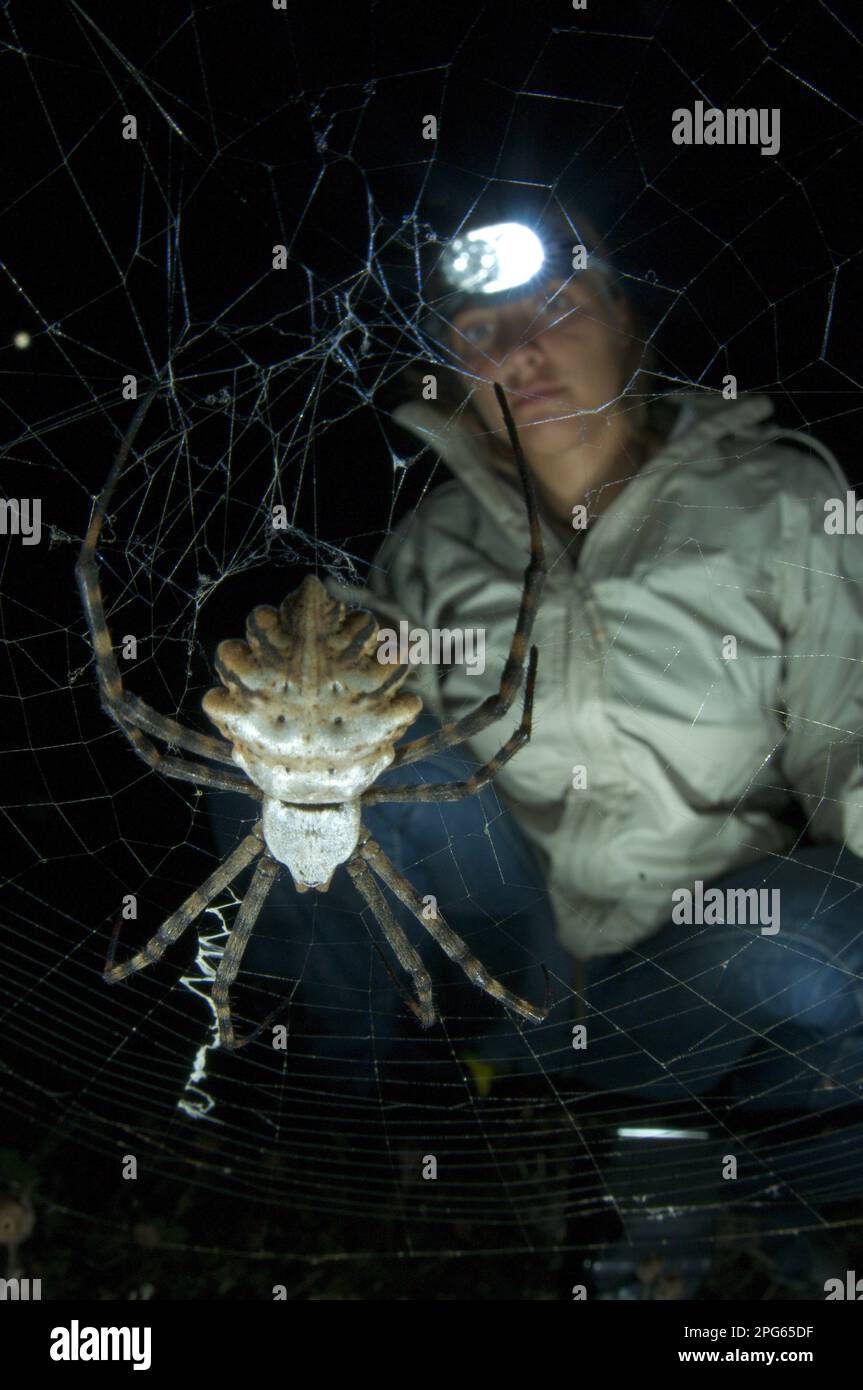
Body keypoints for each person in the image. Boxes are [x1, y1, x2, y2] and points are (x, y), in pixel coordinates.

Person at [212, 198, 863, 1295]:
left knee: (822, 940)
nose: (519, 348)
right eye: (476, 331)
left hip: (707, 947)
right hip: (518, 962)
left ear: (625, 316)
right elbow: (363, 731)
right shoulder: (428, 545)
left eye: (555, 305)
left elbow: (848, 745)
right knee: (284, 770)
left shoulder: (780, 497)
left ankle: (747, 1177)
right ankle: (374, 1136)